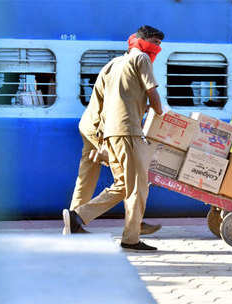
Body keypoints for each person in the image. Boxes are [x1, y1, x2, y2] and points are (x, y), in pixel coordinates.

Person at [62, 25, 165, 251]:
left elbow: (107, 100)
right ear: (144, 41)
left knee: (124, 184)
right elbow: (153, 93)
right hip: (128, 132)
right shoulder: (142, 59)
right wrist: (160, 112)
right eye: (156, 43)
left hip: (110, 131)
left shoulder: (113, 64)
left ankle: (79, 217)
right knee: (138, 185)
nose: (157, 48)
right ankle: (131, 238)